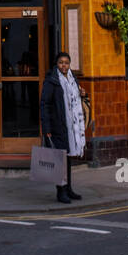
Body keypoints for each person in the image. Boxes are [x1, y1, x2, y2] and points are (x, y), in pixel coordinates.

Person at [40, 51, 87, 203]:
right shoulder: (51, 81)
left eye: (66, 63)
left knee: (67, 158)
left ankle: (69, 189)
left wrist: (83, 94)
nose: (64, 65)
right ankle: (61, 192)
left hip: (71, 125)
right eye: (61, 63)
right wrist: (46, 129)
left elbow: (76, 100)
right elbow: (44, 105)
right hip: (57, 125)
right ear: (56, 64)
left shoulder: (73, 79)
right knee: (60, 159)